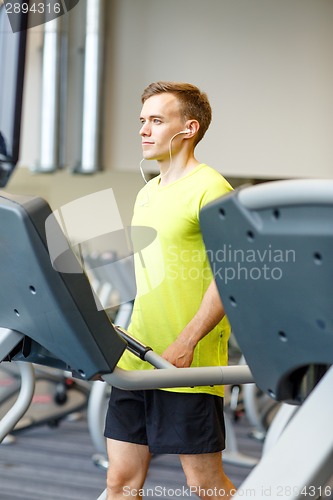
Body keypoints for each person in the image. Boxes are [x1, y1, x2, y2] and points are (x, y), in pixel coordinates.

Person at [104, 81, 234, 499]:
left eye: (156, 121)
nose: (143, 130)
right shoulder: (146, 193)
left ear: (189, 128)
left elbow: (229, 274)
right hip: (138, 356)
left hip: (185, 360)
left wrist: (187, 340)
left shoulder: (212, 188)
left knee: (204, 485)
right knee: (120, 482)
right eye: (142, 121)